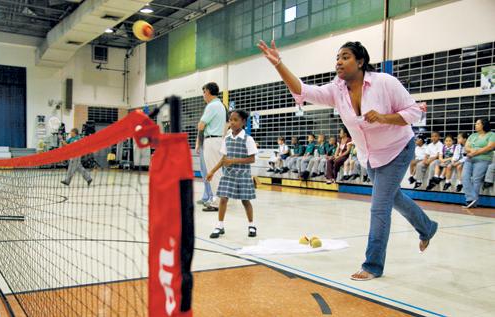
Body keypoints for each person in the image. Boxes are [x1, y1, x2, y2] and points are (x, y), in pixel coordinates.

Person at [259, 39, 438, 281]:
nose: (339, 62)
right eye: (337, 58)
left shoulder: (384, 82)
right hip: (370, 156)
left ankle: (373, 265)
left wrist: (385, 118)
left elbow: (415, 112)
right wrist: (278, 64)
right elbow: (303, 90)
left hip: (397, 149)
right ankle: (427, 227)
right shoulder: (337, 90)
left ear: (360, 61)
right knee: (393, 197)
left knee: (379, 206)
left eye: (345, 57)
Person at [206, 110, 259, 239]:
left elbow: (252, 159)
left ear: (243, 122)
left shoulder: (248, 139)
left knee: (245, 201)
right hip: (229, 174)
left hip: (243, 174)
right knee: (223, 199)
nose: (232, 122)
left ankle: (251, 225)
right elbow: (224, 159)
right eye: (230, 120)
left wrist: (233, 160)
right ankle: (219, 226)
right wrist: (212, 171)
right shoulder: (227, 139)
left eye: (236, 120)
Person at [196, 82, 227, 212]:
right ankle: (219, 199)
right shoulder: (221, 106)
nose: (203, 95)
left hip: (212, 140)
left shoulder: (212, 106)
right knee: (217, 171)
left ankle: (217, 201)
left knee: (213, 172)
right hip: (218, 140)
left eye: (204, 92)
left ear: (208, 91)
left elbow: (201, 125)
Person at [461, 118, 495, 208]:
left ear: (483, 125)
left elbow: (490, 147)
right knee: (464, 177)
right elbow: (466, 147)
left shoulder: (491, 135)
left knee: (476, 179)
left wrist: (476, 152)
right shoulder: (473, 135)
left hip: (483, 159)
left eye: (478, 124)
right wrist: (472, 151)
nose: (475, 125)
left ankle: (471, 202)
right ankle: (472, 198)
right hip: (470, 158)